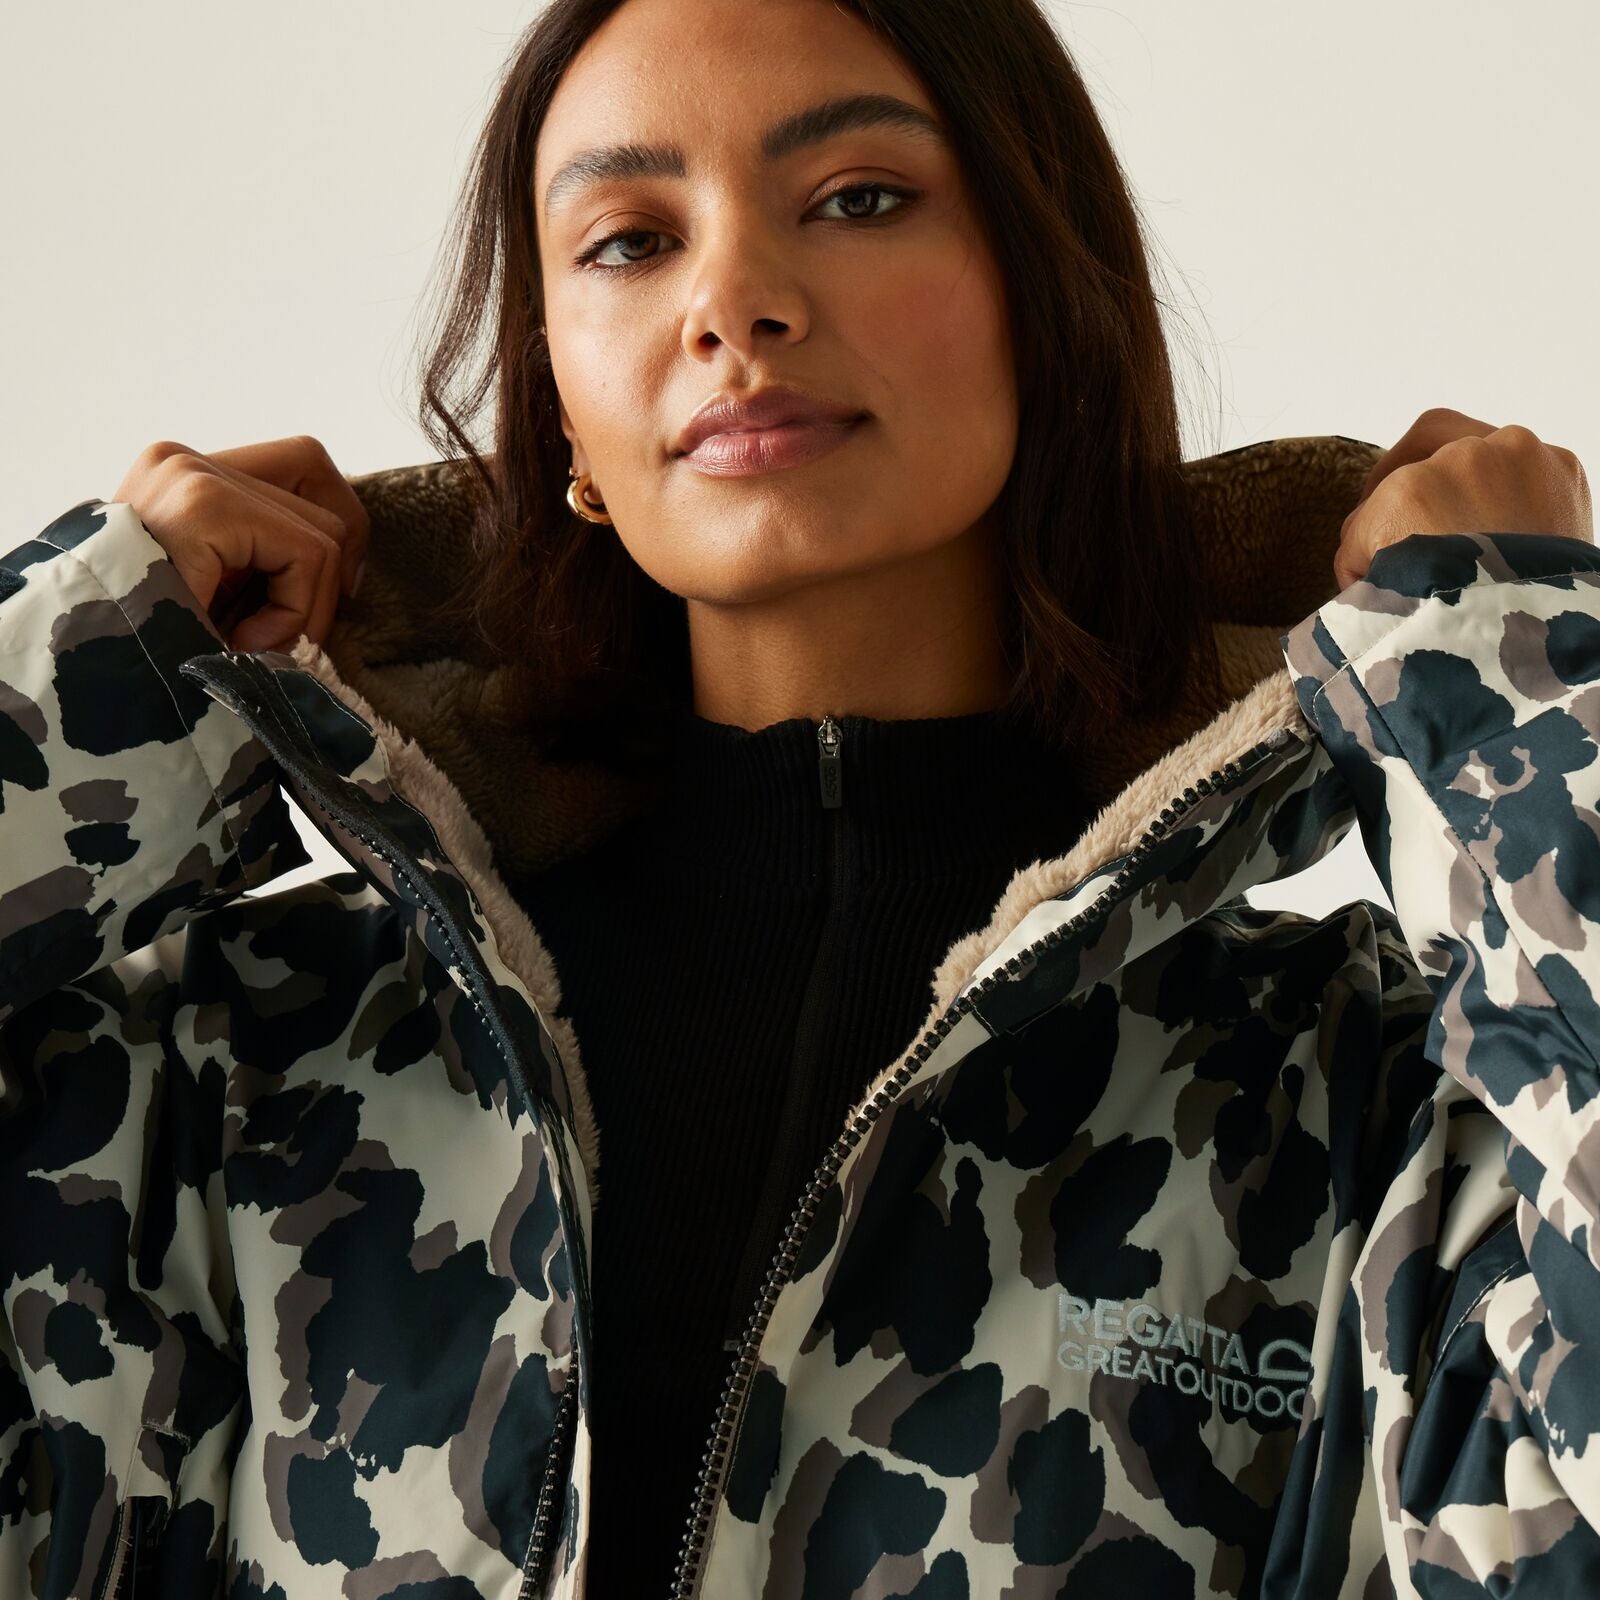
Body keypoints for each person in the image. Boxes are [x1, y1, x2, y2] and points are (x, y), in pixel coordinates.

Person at [1, 0, 1594, 1596]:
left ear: (1046, 297)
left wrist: (1517, 670)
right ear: (558, 398)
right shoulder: (250, 1069)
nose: (732, 302)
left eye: (858, 198)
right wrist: (99, 680)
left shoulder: (1349, 1107)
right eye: (630, 241)